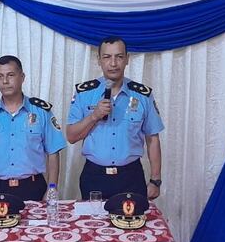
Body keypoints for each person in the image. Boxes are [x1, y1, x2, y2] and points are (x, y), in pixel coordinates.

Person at [65, 36, 164, 200]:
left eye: (119, 57)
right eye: (107, 57)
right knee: (93, 225)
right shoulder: (84, 93)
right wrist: (94, 116)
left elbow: (153, 139)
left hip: (131, 177)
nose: (113, 63)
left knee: (133, 225)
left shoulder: (142, 95)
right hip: (94, 176)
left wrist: (155, 180)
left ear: (127, 59)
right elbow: (71, 137)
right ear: (99, 60)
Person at [0, 56, 66, 201]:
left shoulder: (41, 112)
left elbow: (53, 153)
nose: (5, 81)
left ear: (22, 77)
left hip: (32, 187)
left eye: (10, 75)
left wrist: (52, 189)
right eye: (0, 76)